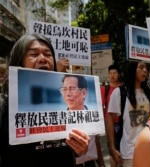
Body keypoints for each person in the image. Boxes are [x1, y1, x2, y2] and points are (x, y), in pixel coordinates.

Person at [0, 33, 89, 167]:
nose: (42, 59)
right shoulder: (3, 106)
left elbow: (68, 149)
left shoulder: (64, 104)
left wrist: (79, 148)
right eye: (34, 54)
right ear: (19, 61)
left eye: (48, 54)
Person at [106, 61, 150, 167]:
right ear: (132, 70)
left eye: (146, 68)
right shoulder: (119, 92)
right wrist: (112, 148)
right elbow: (110, 119)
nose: (145, 70)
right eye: (141, 67)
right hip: (129, 152)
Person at [60, 74, 105, 167]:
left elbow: (96, 142)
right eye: (64, 89)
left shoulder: (93, 115)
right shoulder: (60, 119)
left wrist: (102, 164)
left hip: (91, 164)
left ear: (83, 93)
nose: (67, 94)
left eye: (72, 89)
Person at [100, 64, 122, 167]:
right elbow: (100, 107)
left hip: (123, 122)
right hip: (110, 123)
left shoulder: (124, 88)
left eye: (115, 73)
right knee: (112, 149)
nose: (112, 75)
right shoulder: (105, 89)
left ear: (119, 74)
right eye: (110, 73)